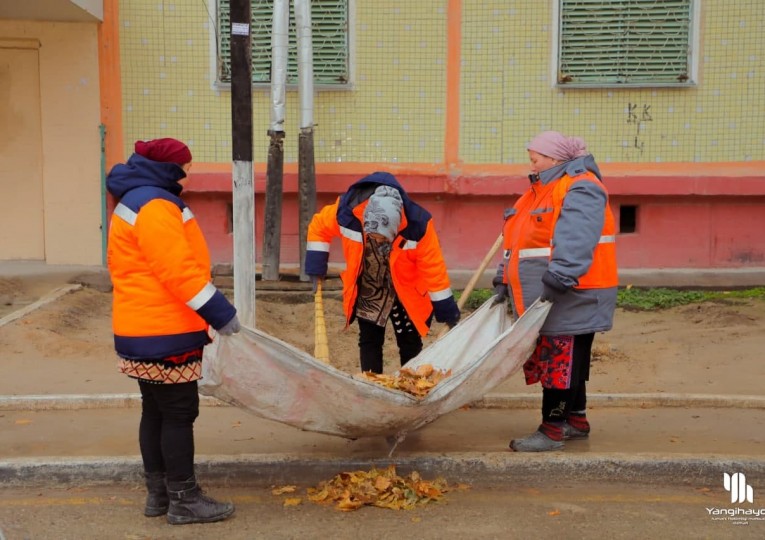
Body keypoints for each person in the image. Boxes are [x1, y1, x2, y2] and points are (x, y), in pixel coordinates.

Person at [106, 138, 240, 524]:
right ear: (168, 168)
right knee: (179, 412)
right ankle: (184, 499)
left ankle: (158, 495)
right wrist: (220, 313)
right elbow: (178, 271)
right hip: (166, 331)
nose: (187, 173)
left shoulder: (132, 199)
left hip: (139, 326)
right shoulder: (155, 205)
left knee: (156, 410)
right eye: (184, 166)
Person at [492, 131, 618, 452]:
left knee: (559, 361)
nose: (531, 158)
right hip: (554, 293)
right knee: (570, 357)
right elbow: (516, 243)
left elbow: (576, 238)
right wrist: (502, 279)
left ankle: (551, 429)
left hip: (574, 293)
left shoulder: (580, 186)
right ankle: (576, 421)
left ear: (556, 158)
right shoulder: (537, 191)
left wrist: (560, 277)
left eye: (536, 154)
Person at [305, 171, 461, 374]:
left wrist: (446, 309)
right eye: (373, 237)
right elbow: (318, 227)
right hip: (370, 284)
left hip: (406, 289)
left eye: (383, 238)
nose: (377, 242)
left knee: (410, 341)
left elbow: (433, 267)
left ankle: (411, 386)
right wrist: (316, 266)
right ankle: (372, 385)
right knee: (369, 338)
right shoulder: (347, 212)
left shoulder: (418, 224)